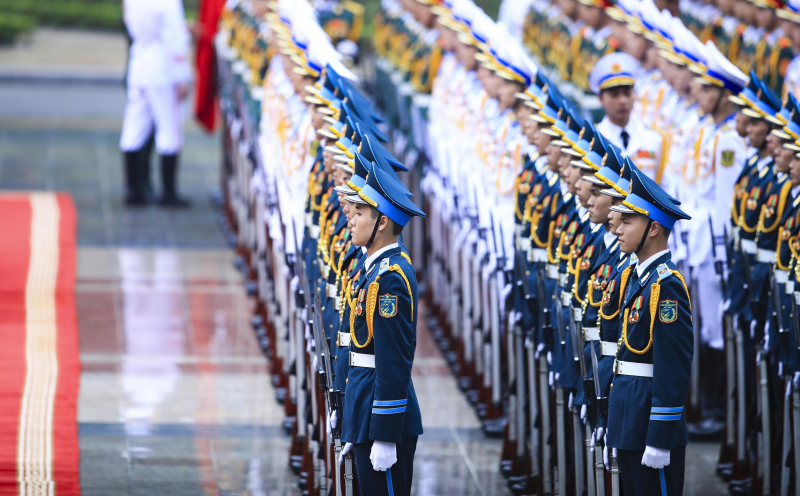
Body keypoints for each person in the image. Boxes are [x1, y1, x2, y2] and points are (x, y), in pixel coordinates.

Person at [606, 167, 693, 496]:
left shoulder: (666, 286)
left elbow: (674, 368)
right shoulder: (638, 278)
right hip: (629, 418)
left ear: (654, 228)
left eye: (628, 222)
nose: (618, 228)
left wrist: (660, 437)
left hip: (649, 425)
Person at [340, 162, 425, 496]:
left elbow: (393, 360)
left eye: (360, 212)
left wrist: (385, 434)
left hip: (382, 417)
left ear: (383, 222)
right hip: (364, 412)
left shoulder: (390, 279)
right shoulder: (373, 269)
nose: (352, 218)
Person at [120, 0, 192, 207]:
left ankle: (133, 189)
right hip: (163, 66)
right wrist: (181, 76)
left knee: (134, 127)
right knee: (169, 130)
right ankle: (168, 192)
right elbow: (174, 36)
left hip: (140, 59)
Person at [590, 52, 668, 186]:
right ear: (600, 99)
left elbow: (666, 188)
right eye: (614, 94)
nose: (622, 100)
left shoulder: (654, 139)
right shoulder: (593, 140)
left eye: (627, 93)